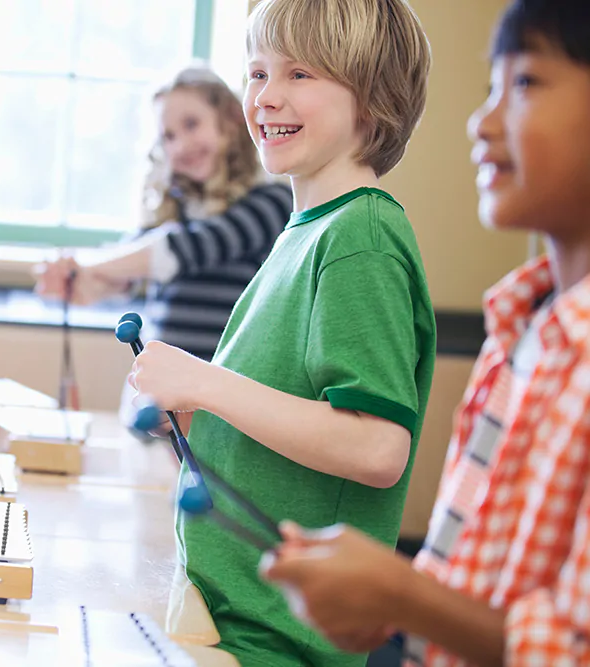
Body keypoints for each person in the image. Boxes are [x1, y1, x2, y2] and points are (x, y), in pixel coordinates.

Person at [261, 1, 590, 665]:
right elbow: (473, 583)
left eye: (524, 83)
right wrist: (396, 605)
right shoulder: (518, 336)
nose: (482, 121)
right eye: (490, 88)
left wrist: (404, 596)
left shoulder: (365, 235)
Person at [127, 0, 435, 664]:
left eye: (299, 74)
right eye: (257, 71)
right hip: (232, 619)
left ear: (373, 101)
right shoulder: (307, 229)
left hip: (276, 640)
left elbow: (378, 447)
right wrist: (201, 410)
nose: (266, 96)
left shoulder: (361, 237)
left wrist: (206, 381)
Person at [35, 65, 291, 363]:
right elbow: (124, 275)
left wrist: (86, 266)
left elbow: (181, 250)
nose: (181, 145)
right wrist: (76, 282)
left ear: (231, 120)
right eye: (168, 136)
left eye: (192, 124)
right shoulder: (173, 210)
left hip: (227, 389)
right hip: (161, 392)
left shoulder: (271, 203)